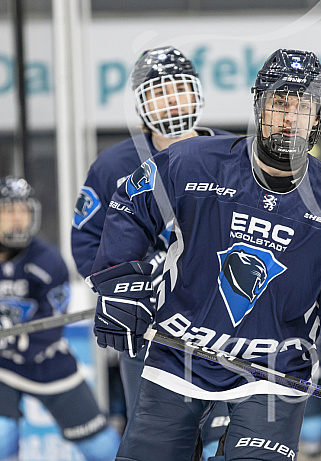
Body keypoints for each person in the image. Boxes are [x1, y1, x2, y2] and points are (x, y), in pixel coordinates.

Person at [87, 48, 321, 461]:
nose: (289, 118)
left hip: (273, 373)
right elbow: (132, 202)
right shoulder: (194, 163)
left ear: (318, 117)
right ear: (259, 106)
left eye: (302, 107)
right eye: (279, 104)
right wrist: (118, 280)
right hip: (179, 353)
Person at [71, 45, 235, 459]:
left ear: (196, 92)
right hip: (150, 330)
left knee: (227, 437)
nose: (172, 100)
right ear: (143, 103)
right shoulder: (113, 165)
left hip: (226, 324)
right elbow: (88, 243)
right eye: (159, 92)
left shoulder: (235, 154)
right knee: (156, 440)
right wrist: (131, 284)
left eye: (179, 89)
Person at [0, 176, 120, 461]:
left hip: (48, 366)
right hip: (2, 369)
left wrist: (12, 341)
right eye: (8, 211)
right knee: (2, 437)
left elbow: (49, 330)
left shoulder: (47, 261)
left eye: (23, 211)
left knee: (101, 447)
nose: (18, 220)